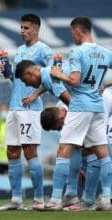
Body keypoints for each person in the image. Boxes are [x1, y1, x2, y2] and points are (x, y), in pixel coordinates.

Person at [41, 16, 112, 211]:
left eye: (72, 32)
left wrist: (58, 75)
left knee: (64, 150)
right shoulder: (106, 53)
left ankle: (56, 199)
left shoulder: (77, 52)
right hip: (98, 108)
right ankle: (107, 199)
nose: (71, 36)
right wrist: (106, 84)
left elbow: (74, 80)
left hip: (80, 106)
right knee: (103, 154)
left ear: (77, 31)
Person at [0, 13, 53, 211]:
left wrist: (36, 94)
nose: (23, 31)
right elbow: (17, 79)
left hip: (30, 109)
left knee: (30, 153)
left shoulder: (44, 50)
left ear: (36, 29)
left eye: (27, 28)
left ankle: (38, 200)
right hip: (14, 107)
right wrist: (7, 73)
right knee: (12, 152)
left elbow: (53, 76)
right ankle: (16, 199)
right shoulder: (19, 51)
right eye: (21, 28)